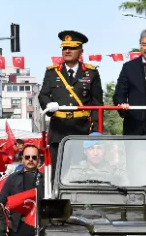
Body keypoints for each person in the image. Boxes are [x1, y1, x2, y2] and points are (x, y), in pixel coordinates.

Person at [39, 31, 104, 164]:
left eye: (72, 48)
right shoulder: (52, 72)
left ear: (81, 51)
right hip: (59, 129)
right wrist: (48, 105)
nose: (67, 51)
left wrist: (95, 132)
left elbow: (97, 103)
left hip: (82, 129)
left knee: (81, 170)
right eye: (64, 48)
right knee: (58, 171)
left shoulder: (91, 72)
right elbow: (43, 94)